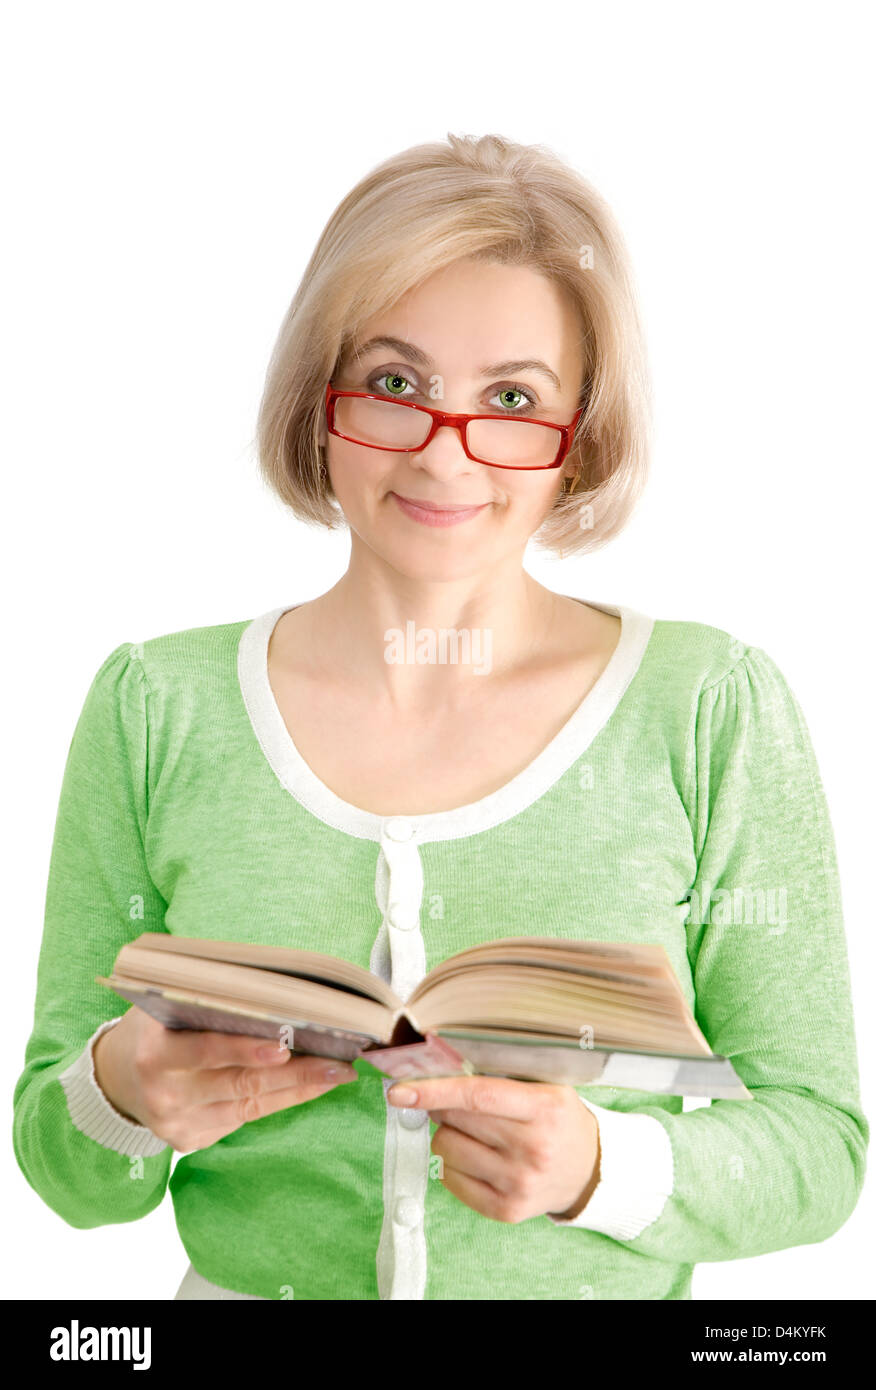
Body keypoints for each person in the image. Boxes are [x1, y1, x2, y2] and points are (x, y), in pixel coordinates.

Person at [13, 132, 867, 1301]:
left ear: (581, 440)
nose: (444, 451)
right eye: (395, 383)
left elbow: (824, 1151)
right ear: (322, 399)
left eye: (510, 398)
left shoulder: (710, 706)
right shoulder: (156, 703)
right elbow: (63, 1172)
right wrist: (122, 1090)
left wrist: (602, 1166)